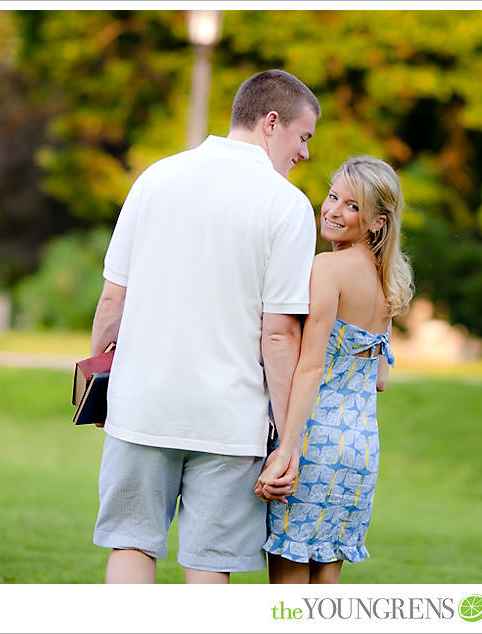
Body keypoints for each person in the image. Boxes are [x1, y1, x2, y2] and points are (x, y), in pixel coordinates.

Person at [89, 69, 320, 583]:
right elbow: (279, 334)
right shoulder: (287, 206)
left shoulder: (155, 177)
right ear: (272, 121)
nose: (304, 153)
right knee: (211, 566)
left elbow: (112, 300)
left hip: (143, 402)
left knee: (131, 545)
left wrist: (102, 389)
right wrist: (287, 440)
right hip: (230, 419)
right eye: (303, 137)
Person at [255, 155, 414, 584]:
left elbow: (310, 367)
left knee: (288, 594)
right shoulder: (389, 281)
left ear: (377, 221)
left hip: (315, 442)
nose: (332, 210)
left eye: (351, 206)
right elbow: (379, 379)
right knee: (326, 589)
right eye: (332, 196)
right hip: (359, 448)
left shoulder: (327, 269)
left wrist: (285, 452)